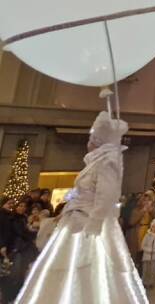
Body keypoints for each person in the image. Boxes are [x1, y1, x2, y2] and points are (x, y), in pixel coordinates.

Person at [13, 109, 147, 303]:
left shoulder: (106, 162)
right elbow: (82, 191)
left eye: (92, 138)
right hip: (76, 219)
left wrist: (95, 221)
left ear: (99, 142)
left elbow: (107, 195)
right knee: (63, 266)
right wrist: (68, 205)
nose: (88, 142)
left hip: (88, 224)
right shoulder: (95, 163)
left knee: (90, 267)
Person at [128, 193, 155, 266]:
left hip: (147, 233)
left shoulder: (151, 209)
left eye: (148, 200)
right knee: (136, 253)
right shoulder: (136, 210)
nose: (146, 202)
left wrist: (152, 211)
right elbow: (132, 222)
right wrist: (143, 211)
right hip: (137, 233)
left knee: (144, 255)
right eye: (144, 200)